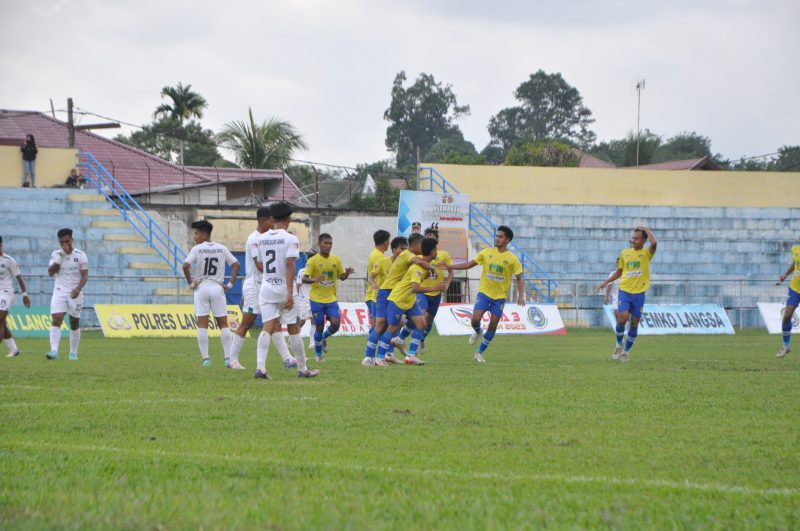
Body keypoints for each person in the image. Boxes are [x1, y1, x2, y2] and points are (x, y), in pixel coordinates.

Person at [254, 202, 319, 379]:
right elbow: (290, 265)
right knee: (293, 328)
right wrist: (290, 293)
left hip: (266, 288)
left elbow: (259, 264)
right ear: (289, 219)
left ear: (272, 218)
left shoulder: (261, 238)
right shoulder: (291, 239)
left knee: (267, 327)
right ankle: (303, 368)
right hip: (284, 288)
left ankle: (260, 368)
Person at [447, 226, 524, 363]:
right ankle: (477, 331)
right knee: (475, 320)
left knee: (493, 324)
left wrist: (521, 295)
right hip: (484, 293)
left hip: (499, 297)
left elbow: (519, 278)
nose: (497, 239)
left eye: (500, 237)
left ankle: (479, 353)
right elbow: (469, 264)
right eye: (497, 236)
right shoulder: (486, 252)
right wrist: (451, 266)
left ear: (507, 240)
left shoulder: (512, 259)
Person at [368, 233, 441, 365]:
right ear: (416, 244)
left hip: (406, 296)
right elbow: (415, 282)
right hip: (391, 293)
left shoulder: (416, 260)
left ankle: (406, 353)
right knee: (383, 326)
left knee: (420, 323)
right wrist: (432, 270)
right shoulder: (411, 257)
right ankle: (373, 357)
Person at [182, 220, 240, 367]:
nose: (195, 236)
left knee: (202, 324)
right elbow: (236, 265)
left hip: (201, 288)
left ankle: (206, 359)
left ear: (204, 234)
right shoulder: (222, 248)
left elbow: (185, 265)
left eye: (197, 233)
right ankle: (228, 358)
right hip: (217, 288)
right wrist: (230, 284)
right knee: (223, 324)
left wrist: (190, 283)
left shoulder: (197, 249)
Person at [597, 226, 657, 362]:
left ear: (643, 241)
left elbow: (654, 243)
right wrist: (605, 282)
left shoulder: (647, 253)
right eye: (632, 238)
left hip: (639, 293)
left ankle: (626, 351)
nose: (633, 240)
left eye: (636, 238)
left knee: (634, 323)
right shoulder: (625, 253)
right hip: (624, 291)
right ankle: (618, 344)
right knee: (622, 319)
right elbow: (619, 271)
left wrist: (646, 229)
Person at [395, 227, 453, 355]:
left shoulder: (443, 255)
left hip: (437, 293)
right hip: (422, 292)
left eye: (433, 237)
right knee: (421, 313)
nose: (430, 239)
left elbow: (450, 272)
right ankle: (402, 340)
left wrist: (447, 284)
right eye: (428, 237)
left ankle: (419, 339)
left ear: (437, 240)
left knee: (428, 321)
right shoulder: (419, 258)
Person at [303, 234, 354, 362]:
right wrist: (315, 279)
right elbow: (304, 278)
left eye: (330, 243)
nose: (328, 246)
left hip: (331, 298)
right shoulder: (312, 260)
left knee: (336, 324)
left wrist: (346, 273)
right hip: (316, 299)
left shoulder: (336, 259)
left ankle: (323, 337)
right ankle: (319, 355)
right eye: (325, 243)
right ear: (319, 244)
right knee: (319, 326)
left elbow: (341, 277)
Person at [362, 236, 407, 366]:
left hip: (396, 298)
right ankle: (370, 356)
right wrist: (374, 284)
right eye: (401, 249)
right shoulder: (382, 262)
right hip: (381, 297)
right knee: (380, 326)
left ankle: (386, 354)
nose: (404, 251)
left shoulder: (406, 265)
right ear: (394, 250)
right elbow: (371, 277)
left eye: (406, 249)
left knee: (396, 324)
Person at [46, 228, 88, 360]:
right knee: (56, 319)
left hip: (75, 292)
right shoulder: (56, 254)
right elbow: (51, 272)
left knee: (74, 322)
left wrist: (78, 288)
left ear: (72, 240)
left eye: (67, 241)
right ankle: (54, 351)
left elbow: (85, 275)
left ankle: (73, 353)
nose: (65, 244)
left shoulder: (81, 255)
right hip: (59, 292)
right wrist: (61, 256)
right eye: (62, 242)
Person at [0, 235, 31, 357]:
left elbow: (19, 277)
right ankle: (14, 349)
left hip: (6, 293)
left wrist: (25, 295)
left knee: (0, 319)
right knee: (2, 323)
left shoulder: (9, 260)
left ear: (1, 245)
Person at [775, 243, 800, 358]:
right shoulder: (795, 249)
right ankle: (786, 345)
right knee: (787, 316)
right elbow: (795, 264)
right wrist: (785, 274)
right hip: (795, 288)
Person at [365, 230, 390, 330]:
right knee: (377, 325)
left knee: (380, 325)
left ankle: (376, 344)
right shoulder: (378, 256)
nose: (389, 243)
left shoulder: (376, 254)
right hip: (374, 295)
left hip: (375, 295)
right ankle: (371, 345)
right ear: (385, 242)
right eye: (388, 241)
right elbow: (374, 275)